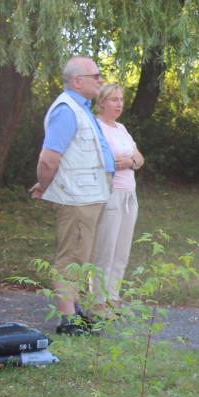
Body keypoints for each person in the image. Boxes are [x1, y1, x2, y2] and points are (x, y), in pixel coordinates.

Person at [29, 57, 115, 334]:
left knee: (83, 256)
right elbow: (48, 160)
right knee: (71, 258)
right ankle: (68, 321)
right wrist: (46, 185)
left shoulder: (80, 108)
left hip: (90, 195)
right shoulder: (67, 110)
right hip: (79, 198)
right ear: (77, 81)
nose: (100, 80)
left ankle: (75, 311)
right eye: (95, 76)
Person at [90, 83, 144, 309]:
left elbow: (139, 159)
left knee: (122, 247)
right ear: (102, 102)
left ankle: (113, 295)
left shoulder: (121, 128)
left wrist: (130, 162)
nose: (119, 104)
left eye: (121, 99)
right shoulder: (97, 127)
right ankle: (97, 300)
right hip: (110, 193)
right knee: (106, 246)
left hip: (129, 195)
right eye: (114, 99)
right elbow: (99, 159)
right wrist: (119, 163)